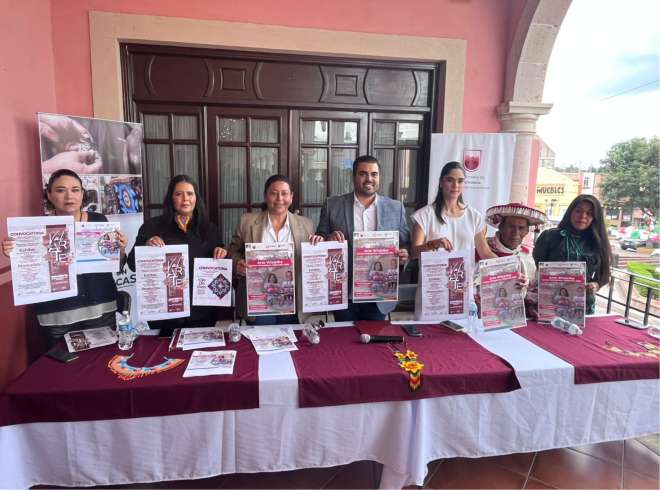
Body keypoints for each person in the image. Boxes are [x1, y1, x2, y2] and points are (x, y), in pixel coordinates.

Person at [2, 169, 128, 343]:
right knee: (63, 360)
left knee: (102, 358)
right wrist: (16, 253)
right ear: (49, 194)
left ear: (82, 193)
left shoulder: (99, 220)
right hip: (57, 314)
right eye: (61, 190)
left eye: (75, 190)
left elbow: (117, 265)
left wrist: (120, 249)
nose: (69, 196)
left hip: (100, 308)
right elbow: (31, 270)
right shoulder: (36, 228)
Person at [127, 175, 227, 336]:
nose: (185, 199)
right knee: (166, 351)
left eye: (190, 194)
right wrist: (146, 247)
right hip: (165, 314)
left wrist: (222, 253)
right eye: (179, 194)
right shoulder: (152, 227)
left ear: (196, 198)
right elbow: (132, 265)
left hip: (202, 311)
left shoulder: (209, 229)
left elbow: (220, 264)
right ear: (171, 198)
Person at [316, 155, 410, 321]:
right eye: (363, 174)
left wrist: (404, 256)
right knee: (344, 336)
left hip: (379, 294)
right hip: (344, 293)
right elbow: (320, 238)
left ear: (379, 177)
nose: (369, 179)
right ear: (353, 177)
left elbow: (405, 244)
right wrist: (328, 239)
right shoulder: (332, 205)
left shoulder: (396, 208)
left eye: (374, 174)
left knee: (375, 337)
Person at [228, 174, 322, 324]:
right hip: (259, 299)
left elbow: (313, 259)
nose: (279, 199)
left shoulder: (306, 225)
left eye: (284, 193)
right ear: (265, 196)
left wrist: (319, 245)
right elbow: (233, 251)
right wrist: (237, 263)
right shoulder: (247, 221)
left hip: (292, 299)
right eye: (274, 193)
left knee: (291, 337)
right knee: (261, 336)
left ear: (291, 197)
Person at [410, 161, 496, 319]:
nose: (455, 185)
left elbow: (485, 253)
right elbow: (414, 253)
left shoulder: (474, 216)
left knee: (463, 334)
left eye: (460, 181)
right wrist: (433, 244)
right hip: (433, 294)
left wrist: (510, 269)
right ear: (441, 182)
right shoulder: (424, 215)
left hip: (462, 294)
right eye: (450, 180)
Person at [533, 194, 612, 314]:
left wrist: (595, 285)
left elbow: (604, 275)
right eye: (578, 211)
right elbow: (537, 267)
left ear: (595, 218)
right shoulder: (549, 236)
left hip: (582, 306)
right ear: (570, 212)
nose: (582, 216)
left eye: (589, 213)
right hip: (550, 302)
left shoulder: (597, 242)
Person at [479, 202, 548, 317]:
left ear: (527, 231)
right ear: (501, 227)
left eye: (521, 228)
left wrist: (530, 306)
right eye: (511, 227)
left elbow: (531, 290)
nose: (515, 233)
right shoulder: (482, 250)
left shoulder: (527, 257)